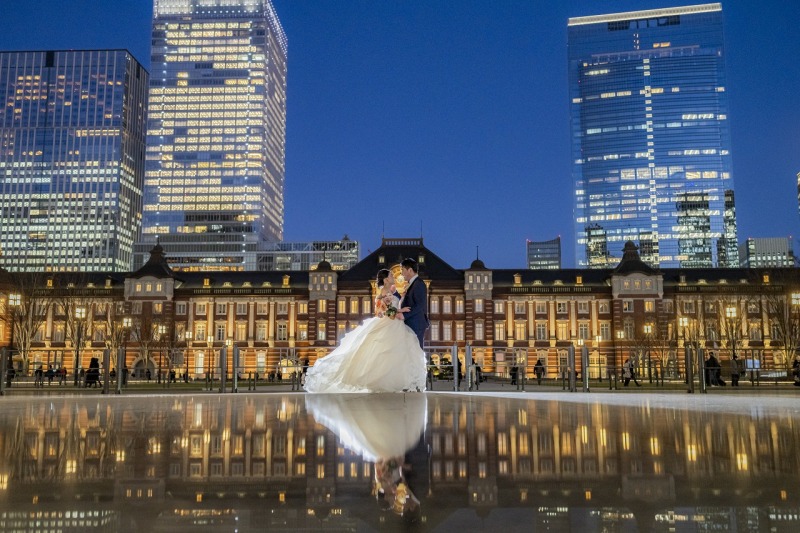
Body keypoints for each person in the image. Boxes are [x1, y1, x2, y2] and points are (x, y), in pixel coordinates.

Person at [304, 269, 427, 393]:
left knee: (394, 354)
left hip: (395, 325)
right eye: (391, 275)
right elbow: (385, 312)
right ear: (386, 280)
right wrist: (401, 311)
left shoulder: (390, 291)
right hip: (390, 324)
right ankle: (386, 382)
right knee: (386, 353)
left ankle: (396, 381)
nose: (393, 276)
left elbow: (388, 308)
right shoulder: (383, 293)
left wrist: (401, 296)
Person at [400, 258, 430, 350]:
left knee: (416, 351)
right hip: (413, 324)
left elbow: (420, 305)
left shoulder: (418, 284)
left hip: (416, 324)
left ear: (410, 270)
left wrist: (404, 315)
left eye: (403, 270)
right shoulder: (414, 283)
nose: (402, 273)